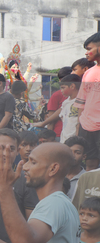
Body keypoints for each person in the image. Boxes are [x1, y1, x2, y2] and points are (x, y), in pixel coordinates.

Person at [75, 33, 100, 170]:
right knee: (90, 163)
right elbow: (81, 102)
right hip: (86, 127)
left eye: (89, 48)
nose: (86, 53)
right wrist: (80, 125)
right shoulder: (88, 73)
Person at [32, 66, 73, 139]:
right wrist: (48, 139)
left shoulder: (78, 95)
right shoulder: (57, 95)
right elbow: (51, 119)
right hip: (58, 135)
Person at [56, 74, 82, 143]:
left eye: (63, 88)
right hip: (64, 139)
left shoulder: (81, 102)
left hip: (74, 140)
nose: (61, 90)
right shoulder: (65, 102)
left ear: (72, 86)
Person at [64, 136, 88, 200]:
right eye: (70, 151)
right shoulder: (56, 175)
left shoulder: (87, 179)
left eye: (77, 153)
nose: (72, 155)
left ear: (84, 157)